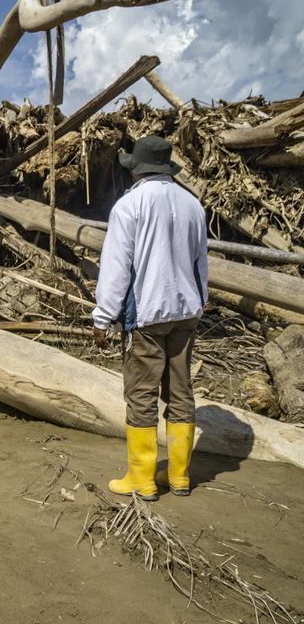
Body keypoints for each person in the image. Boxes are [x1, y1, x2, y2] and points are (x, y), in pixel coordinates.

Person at [93, 135, 209, 501]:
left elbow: (116, 267)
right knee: (180, 390)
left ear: (136, 170)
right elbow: (201, 263)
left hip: (148, 314)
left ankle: (142, 478)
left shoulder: (130, 206)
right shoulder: (193, 205)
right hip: (186, 311)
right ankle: (179, 476)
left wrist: (103, 317)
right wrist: (199, 302)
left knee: (141, 393)